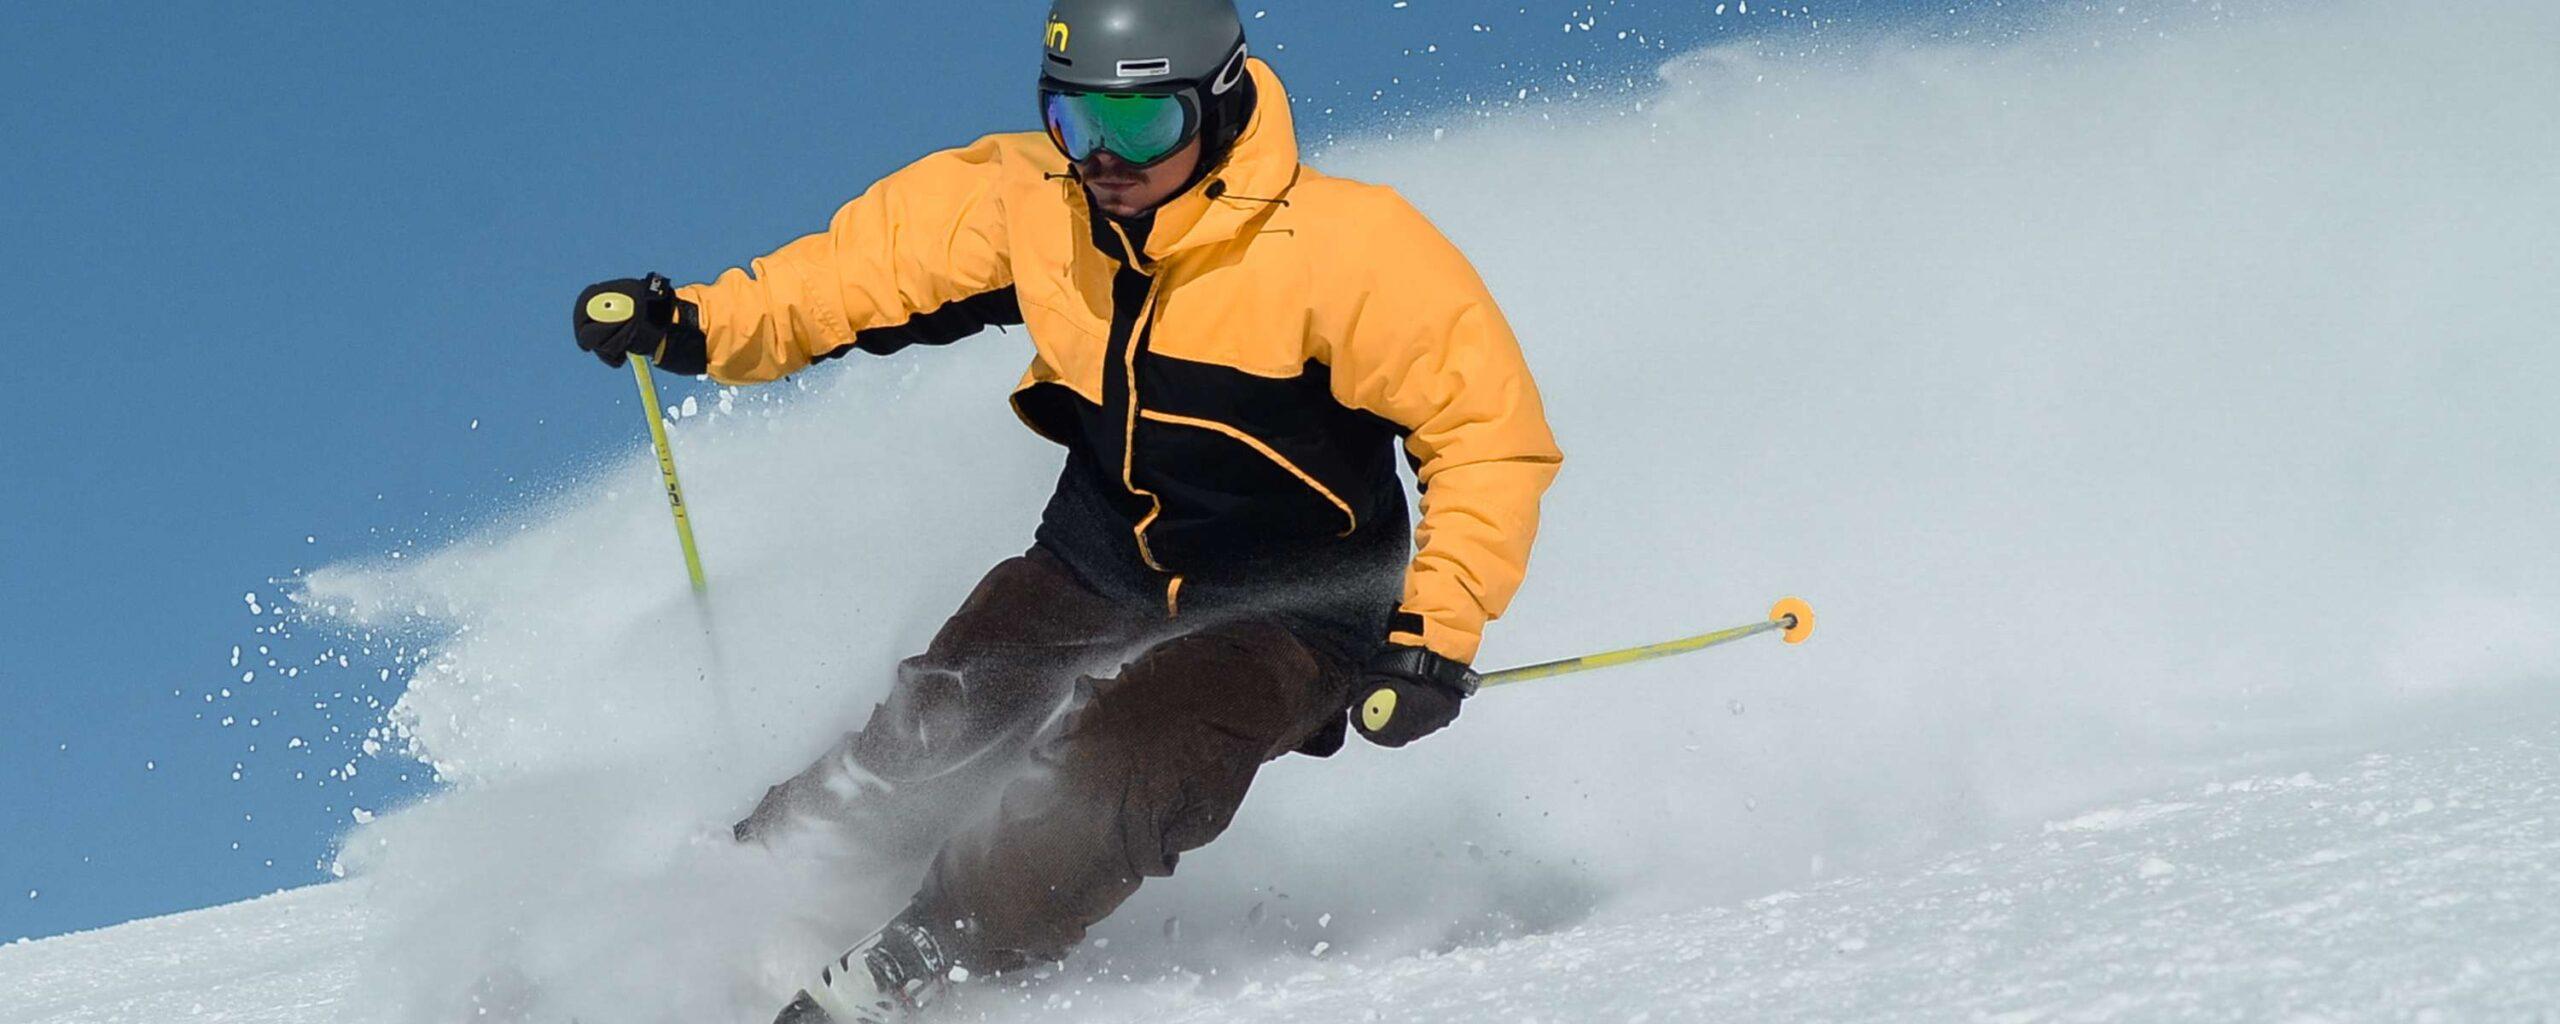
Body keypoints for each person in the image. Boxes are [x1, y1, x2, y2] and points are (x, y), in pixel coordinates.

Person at [569, 1, 1560, 1019]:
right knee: (934, 727)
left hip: (1294, 611)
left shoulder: (1347, 251)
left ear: (1217, 110)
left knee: (1116, 764)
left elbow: (1488, 436)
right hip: (1099, 560)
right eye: (1075, 124)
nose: (1103, 159)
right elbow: (857, 273)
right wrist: (703, 322)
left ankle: (920, 958)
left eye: (1140, 128)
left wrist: (1432, 638)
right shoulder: (1037, 204)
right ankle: (705, 914)